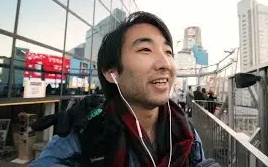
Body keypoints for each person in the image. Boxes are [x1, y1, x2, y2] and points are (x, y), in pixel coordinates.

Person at [30, 11, 220, 167]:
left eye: (168, 52)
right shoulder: (84, 135)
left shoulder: (185, 131)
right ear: (111, 72)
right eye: (145, 49)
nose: (165, 63)